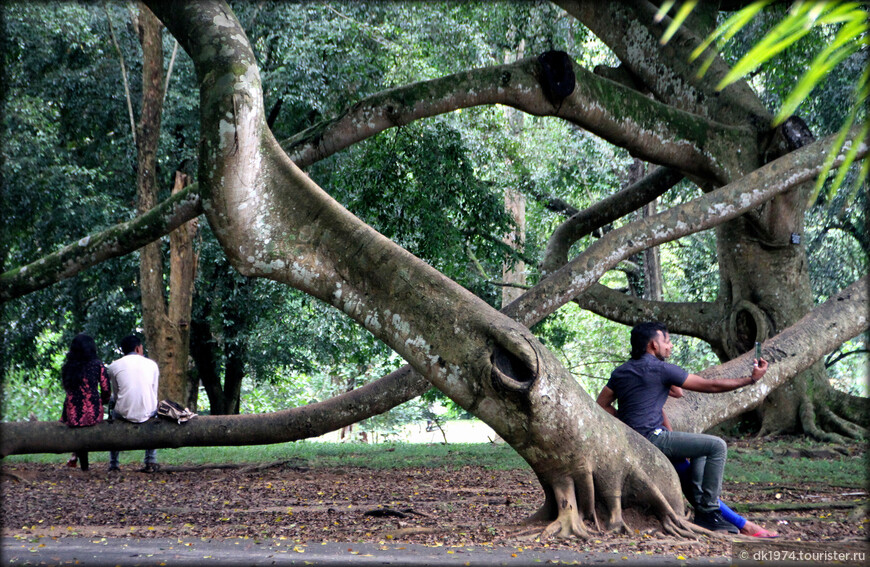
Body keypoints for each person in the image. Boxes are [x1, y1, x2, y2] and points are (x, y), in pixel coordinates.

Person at [596, 321, 768, 533]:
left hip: (633, 440)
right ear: (653, 345)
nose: (670, 347)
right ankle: (709, 511)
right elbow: (710, 386)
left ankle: (715, 513)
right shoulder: (661, 369)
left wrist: (629, 421)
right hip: (653, 438)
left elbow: (602, 404)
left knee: (699, 451)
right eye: (666, 341)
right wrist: (751, 379)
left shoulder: (621, 372)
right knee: (716, 446)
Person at [106, 335, 160, 473]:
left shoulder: (114, 366)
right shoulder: (152, 365)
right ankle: (150, 461)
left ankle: (114, 464)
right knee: (154, 410)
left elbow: (117, 394)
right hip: (148, 412)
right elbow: (153, 392)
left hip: (123, 412)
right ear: (138, 348)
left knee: (113, 413)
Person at [60, 333, 111, 472]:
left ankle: (81, 462)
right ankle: (82, 464)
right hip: (91, 412)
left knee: (77, 425)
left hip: (72, 413)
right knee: (86, 426)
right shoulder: (97, 365)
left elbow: (68, 389)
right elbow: (106, 389)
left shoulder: (68, 367)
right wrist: (104, 401)